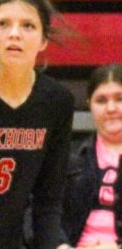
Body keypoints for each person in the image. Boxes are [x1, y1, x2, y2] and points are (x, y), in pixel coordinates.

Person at [0, 0, 75, 249]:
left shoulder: (57, 102)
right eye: (3, 24)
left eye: (28, 25)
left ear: (43, 40)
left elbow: (48, 200)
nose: (15, 34)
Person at [62, 64, 122, 248]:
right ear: (89, 105)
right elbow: (41, 214)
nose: (111, 108)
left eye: (119, 99)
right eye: (101, 100)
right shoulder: (68, 158)